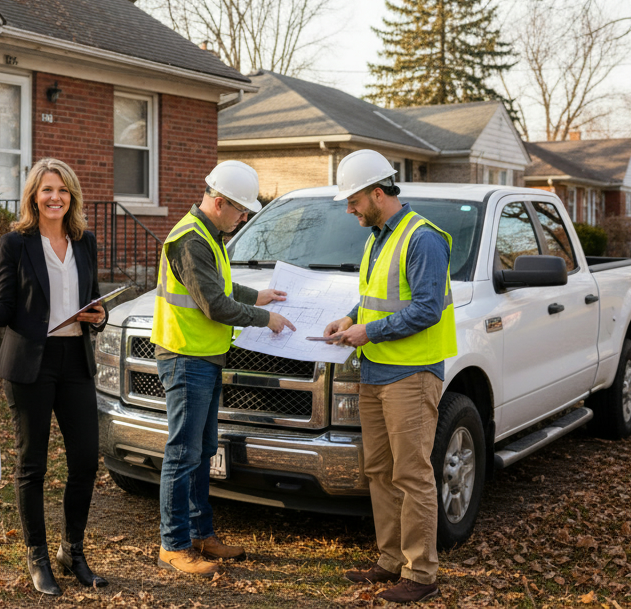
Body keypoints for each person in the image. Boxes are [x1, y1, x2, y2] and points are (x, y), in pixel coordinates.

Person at [320, 149, 457, 604]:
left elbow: (425, 309)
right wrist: (348, 319)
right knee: (379, 470)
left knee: (412, 474)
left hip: (411, 374)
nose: (350, 209)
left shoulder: (423, 239)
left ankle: (421, 574)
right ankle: (390, 560)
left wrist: (368, 331)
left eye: (354, 200)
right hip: (376, 372)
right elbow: (376, 299)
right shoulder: (377, 237)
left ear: (378, 193)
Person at [0, 158, 109, 596]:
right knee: (33, 466)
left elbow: (93, 303)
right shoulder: (16, 243)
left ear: (72, 197)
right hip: (31, 363)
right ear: (34, 195)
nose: (55, 197)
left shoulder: (84, 243)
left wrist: (99, 317)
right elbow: (7, 308)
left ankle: (73, 552)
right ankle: (38, 556)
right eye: (47, 189)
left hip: (75, 361)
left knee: (85, 459)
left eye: (63, 190)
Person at [151, 160, 297, 577]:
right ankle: (174, 545)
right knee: (183, 454)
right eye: (240, 210)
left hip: (203, 359)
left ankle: (199, 534)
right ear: (219, 202)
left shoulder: (207, 236)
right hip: (185, 359)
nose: (244, 217)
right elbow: (214, 304)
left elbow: (220, 285)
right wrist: (261, 316)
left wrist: (259, 294)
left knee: (200, 452)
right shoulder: (190, 241)